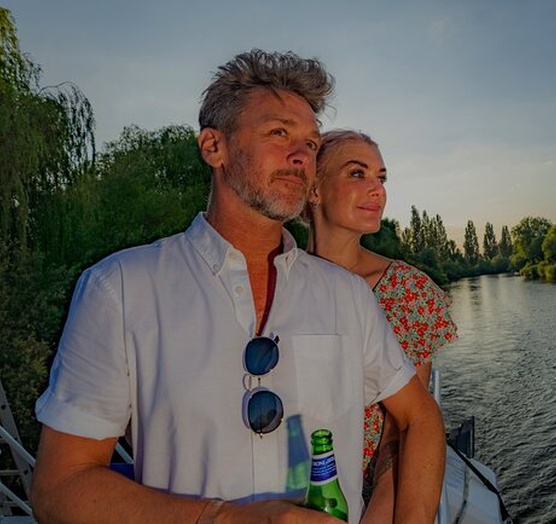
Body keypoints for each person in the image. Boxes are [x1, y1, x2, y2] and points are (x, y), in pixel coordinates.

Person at [30, 50, 445, 524]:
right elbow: (60, 488)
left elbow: (420, 417)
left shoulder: (346, 296)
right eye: (278, 133)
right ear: (214, 146)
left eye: (310, 144)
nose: (299, 156)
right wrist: (224, 519)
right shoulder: (119, 288)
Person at [305, 129, 457, 521]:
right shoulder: (275, 283)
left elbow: (402, 429)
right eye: (358, 174)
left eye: (381, 178)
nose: (378, 190)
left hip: (367, 499)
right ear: (314, 188)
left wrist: (379, 512)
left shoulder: (406, 291)